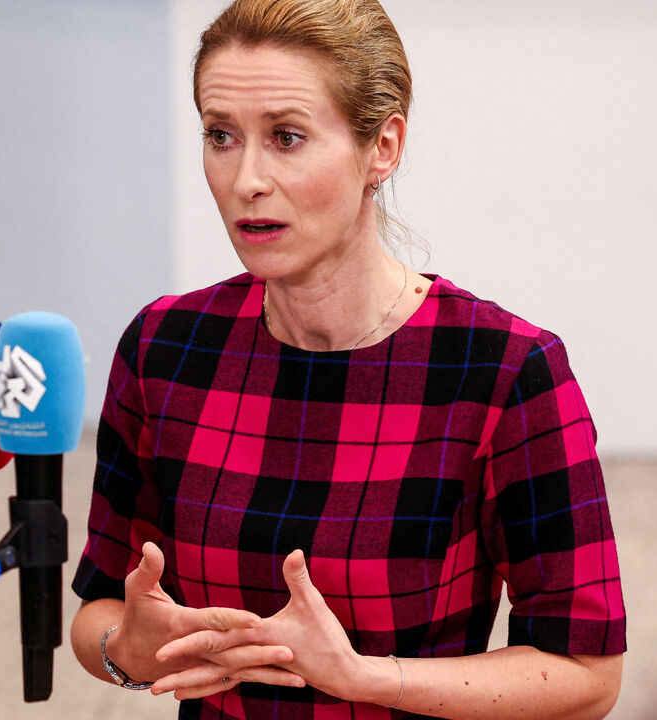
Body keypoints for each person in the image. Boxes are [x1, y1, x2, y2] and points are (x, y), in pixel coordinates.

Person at [69, 1, 626, 718]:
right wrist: (131, 651)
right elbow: (97, 613)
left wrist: (363, 677)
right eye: (221, 136)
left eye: (287, 138)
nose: (246, 180)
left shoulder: (504, 370)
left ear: (382, 148)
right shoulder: (166, 345)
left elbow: (586, 675)